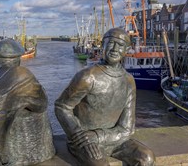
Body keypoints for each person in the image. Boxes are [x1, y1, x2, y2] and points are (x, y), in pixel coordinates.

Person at [55, 27, 155, 166]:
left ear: (126, 50)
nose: (114, 49)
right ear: (103, 45)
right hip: (86, 141)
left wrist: (98, 136)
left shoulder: (128, 81)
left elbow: (127, 128)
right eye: (111, 43)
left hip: (113, 139)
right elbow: (62, 106)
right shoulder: (87, 76)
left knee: (147, 158)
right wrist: (79, 136)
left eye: (120, 45)